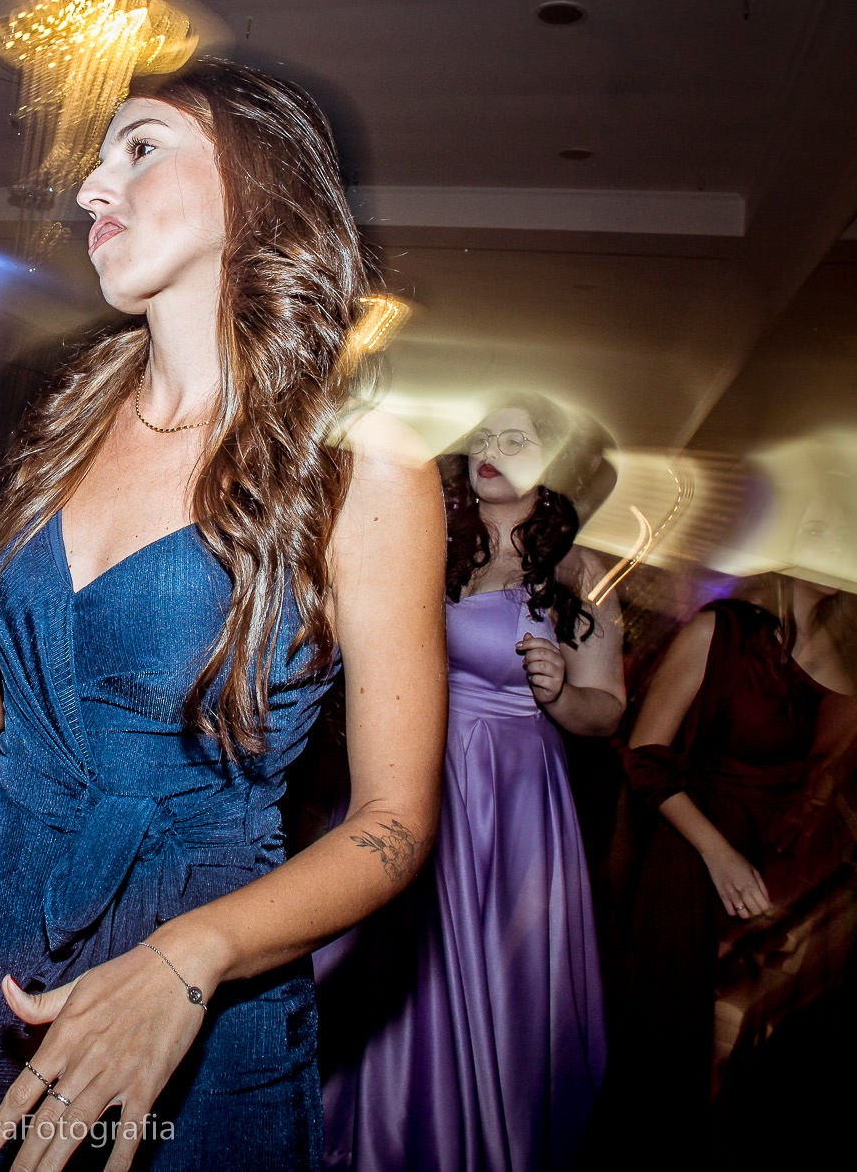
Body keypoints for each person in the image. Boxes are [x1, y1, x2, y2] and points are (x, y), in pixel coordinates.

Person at [0, 58, 446, 1170]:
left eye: (140, 146)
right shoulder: (74, 414)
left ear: (257, 188)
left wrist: (192, 957)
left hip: (195, 965)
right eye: (95, 157)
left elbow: (393, 825)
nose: (88, 186)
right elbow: (89, 667)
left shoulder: (362, 474)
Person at [315, 395, 623, 1171]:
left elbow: (608, 710)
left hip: (511, 799)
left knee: (489, 983)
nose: (491, 449)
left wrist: (560, 693)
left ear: (549, 463)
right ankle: (386, 1127)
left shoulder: (579, 570)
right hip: (416, 764)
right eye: (484, 435)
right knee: (393, 962)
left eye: (515, 439)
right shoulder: (435, 539)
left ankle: (481, 1138)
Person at [596, 572, 857, 1164]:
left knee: (750, 1084)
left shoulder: (853, 659)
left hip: (779, 885)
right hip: (694, 863)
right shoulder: (724, 629)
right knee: (669, 1065)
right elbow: (644, 757)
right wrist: (719, 857)